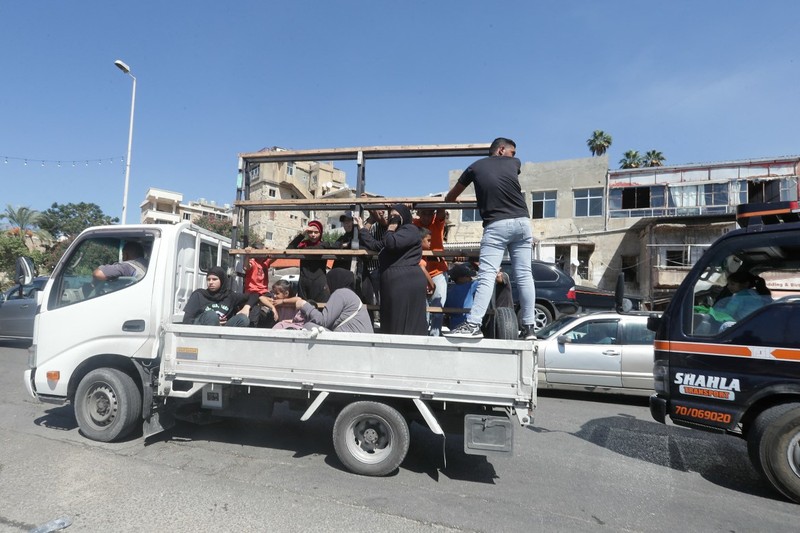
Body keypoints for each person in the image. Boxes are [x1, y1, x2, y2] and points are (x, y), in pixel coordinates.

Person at [443, 137, 537, 340]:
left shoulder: (474, 167)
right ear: (501, 150)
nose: (515, 156)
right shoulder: (514, 163)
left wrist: (453, 200)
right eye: (512, 152)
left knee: (486, 275)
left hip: (496, 225)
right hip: (522, 222)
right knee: (524, 275)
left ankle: (474, 324)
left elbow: (450, 197)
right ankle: (529, 328)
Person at [355, 204, 428, 335]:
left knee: (405, 322)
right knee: (392, 321)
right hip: (393, 283)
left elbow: (391, 243)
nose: (392, 219)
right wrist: (362, 228)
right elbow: (375, 245)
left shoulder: (410, 230)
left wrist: (391, 227)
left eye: (396, 216)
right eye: (391, 216)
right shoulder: (395, 234)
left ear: (404, 216)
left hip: (405, 282)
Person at [296, 268, 373, 333]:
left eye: (327, 283)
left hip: (353, 343)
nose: (325, 287)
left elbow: (323, 321)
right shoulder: (350, 295)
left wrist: (304, 305)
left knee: (308, 326)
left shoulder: (341, 293)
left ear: (334, 281)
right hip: (358, 341)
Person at [182, 266, 256, 327]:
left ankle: (230, 342)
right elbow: (187, 320)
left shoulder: (230, 295)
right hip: (202, 330)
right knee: (211, 315)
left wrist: (246, 307)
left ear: (222, 280)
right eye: (208, 279)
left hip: (223, 329)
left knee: (243, 319)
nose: (210, 282)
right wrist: (214, 321)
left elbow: (254, 295)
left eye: (214, 279)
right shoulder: (199, 294)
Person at [414, 207, 448, 336]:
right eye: (424, 213)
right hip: (419, 271)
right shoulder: (414, 224)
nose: (427, 217)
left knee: (437, 306)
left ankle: (435, 336)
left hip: (438, 271)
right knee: (422, 307)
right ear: (419, 213)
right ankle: (422, 334)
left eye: (430, 213)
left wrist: (435, 204)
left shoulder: (437, 221)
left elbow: (441, 209)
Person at [288, 220, 330, 303]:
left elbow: (317, 250)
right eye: (310, 232)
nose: (313, 235)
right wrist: (302, 234)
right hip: (304, 282)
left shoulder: (324, 245)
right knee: (303, 311)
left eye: (316, 232)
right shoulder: (303, 244)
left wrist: (303, 250)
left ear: (320, 233)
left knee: (321, 309)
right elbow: (289, 249)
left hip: (319, 282)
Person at [445, 263, 478, 330]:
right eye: (468, 276)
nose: (471, 278)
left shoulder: (449, 290)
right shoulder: (469, 286)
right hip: (466, 322)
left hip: (453, 324)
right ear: (460, 278)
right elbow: (483, 281)